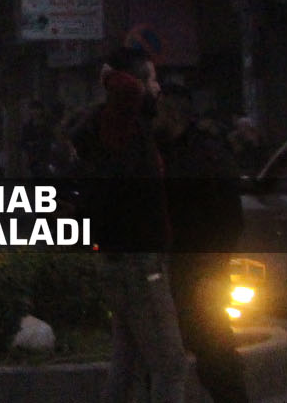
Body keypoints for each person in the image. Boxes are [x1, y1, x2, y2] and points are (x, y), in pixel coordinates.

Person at [72, 47, 188, 403]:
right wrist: (111, 75)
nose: (157, 88)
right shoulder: (119, 120)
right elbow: (127, 90)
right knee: (170, 365)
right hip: (138, 262)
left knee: (129, 360)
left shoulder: (123, 126)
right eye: (151, 78)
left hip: (126, 259)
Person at [155, 82, 248, 403]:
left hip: (199, 268)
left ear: (171, 112)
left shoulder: (206, 155)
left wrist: (214, 270)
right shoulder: (160, 152)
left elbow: (229, 218)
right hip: (169, 266)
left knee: (214, 351)